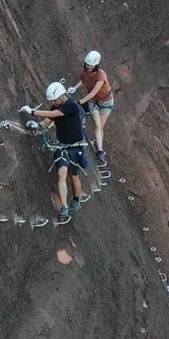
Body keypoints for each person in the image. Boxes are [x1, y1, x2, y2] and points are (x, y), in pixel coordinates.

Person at [20, 82, 89, 220]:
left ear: (61, 96)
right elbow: (47, 121)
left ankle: (76, 201)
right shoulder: (55, 106)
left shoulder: (71, 106)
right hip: (62, 147)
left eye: (54, 99)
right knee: (61, 174)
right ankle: (63, 207)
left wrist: (33, 111)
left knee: (74, 176)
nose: (52, 102)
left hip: (76, 147)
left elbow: (55, 114)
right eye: (51, 101)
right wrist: (37, 125)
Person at [75, 50, 114, 166]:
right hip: (93, 102)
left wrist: (80, 102)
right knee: (97, 126)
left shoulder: (101, 75)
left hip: (106, 102)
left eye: (90, 65)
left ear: (96, 64)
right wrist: (75, 88)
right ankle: (100, 152)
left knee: (100, 128)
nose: (88, 66)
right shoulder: (86, 72)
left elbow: (93, 92)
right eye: (87, 64)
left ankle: (99, 147)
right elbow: (82, 80)